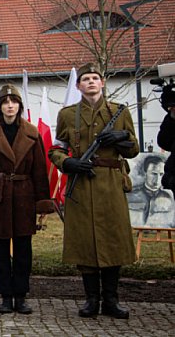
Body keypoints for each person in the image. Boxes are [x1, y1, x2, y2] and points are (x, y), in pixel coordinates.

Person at [48, 62, 139, 319]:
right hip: (82, 183)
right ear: (78, 85)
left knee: (113, 240)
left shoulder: (119, 112)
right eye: (85, 78)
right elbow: (56, 149)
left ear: (102, 83)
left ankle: (112, 299)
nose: (90, 82)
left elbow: (134, 149)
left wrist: (121, 138)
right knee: (84, 241)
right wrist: (67, 162)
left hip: (110, 184)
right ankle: (91, 300)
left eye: (95, 78)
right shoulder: (67, 115)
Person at [0, 84, 56, 314]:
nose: (10, 106)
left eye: (14, 102)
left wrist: (42, 201)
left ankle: (21, 295)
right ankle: (5, 296)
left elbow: (40, 170)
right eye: (5, 102)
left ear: (19, 105)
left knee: (23, 249)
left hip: (23, 196)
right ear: (0, 106)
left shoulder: (32, 134)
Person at [127, 156, 175, 228]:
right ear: (145, 172)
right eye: (154, 174)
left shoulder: (170, 197)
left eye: (161, 174)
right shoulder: (130, 195)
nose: (157, 179)